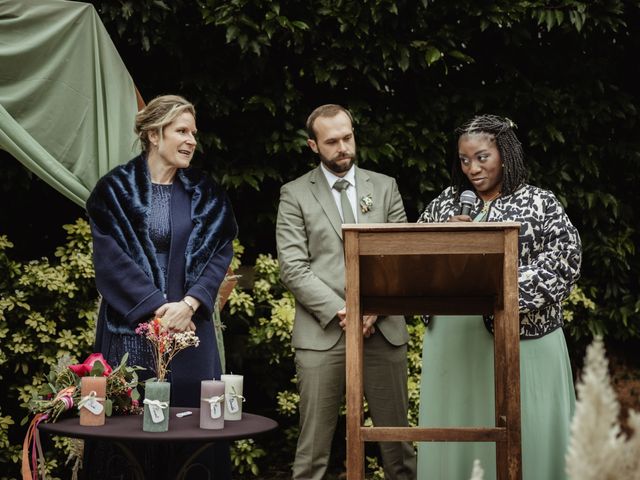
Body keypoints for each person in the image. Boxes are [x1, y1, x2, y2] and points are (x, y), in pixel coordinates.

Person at [416, 114, 581, 479]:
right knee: (459, 433)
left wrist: (499, 285)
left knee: (525, 434)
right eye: (464, 159)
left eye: (482, 157)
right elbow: (414, 262)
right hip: (454, 345)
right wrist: (443, 239)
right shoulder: (444, 206)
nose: (472, 168)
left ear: (504, 154)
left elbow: (564, 264)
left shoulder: (540, 204)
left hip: (523, 343)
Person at [85, 94, 237, 479]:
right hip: (131, 332)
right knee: (130, 435)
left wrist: (189, 304)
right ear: (154, 134)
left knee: (193, 433)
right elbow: (110, 259)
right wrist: (157, 307)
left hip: (191, 332)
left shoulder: (205, 193)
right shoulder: (115, 191)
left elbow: (219, 252)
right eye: (181, 131)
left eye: (193, 133)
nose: (191, 141)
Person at [276, 104, 417, 480]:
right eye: (332, 141)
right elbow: (293, 266)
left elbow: (399, 258)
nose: (343, 147)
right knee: (313, 452)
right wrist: (345, 311)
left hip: (382, 329)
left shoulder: (384, 187)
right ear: (313, 145)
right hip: (323, 332)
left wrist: (373, 308)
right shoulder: (294, 194)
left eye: (348, 137)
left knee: (397, 446)